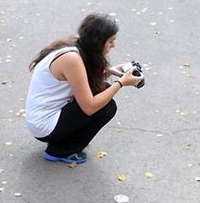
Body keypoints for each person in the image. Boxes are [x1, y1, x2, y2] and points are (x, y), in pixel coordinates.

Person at [25, 13, 142, 164]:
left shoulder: (75, 45)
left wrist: (111, 70)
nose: (113, 45)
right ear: (98, 42)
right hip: (44, 125)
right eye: (111, 41)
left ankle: (63, 141)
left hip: (43, 117)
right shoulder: (72, 59)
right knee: (107, 107)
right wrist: (120, 83)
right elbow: (89, 107)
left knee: (102, 90)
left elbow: (81, 80)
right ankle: (60, 151)